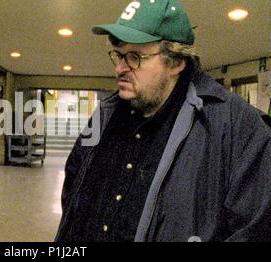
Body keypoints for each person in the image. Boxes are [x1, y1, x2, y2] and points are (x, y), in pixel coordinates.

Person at [56, 0, 270, 242]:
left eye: (135, 57)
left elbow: (256, 230)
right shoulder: (106, 113)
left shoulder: (238, 128)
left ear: (176, 62)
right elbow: (73, 189)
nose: (119, 68)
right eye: (119, 55)